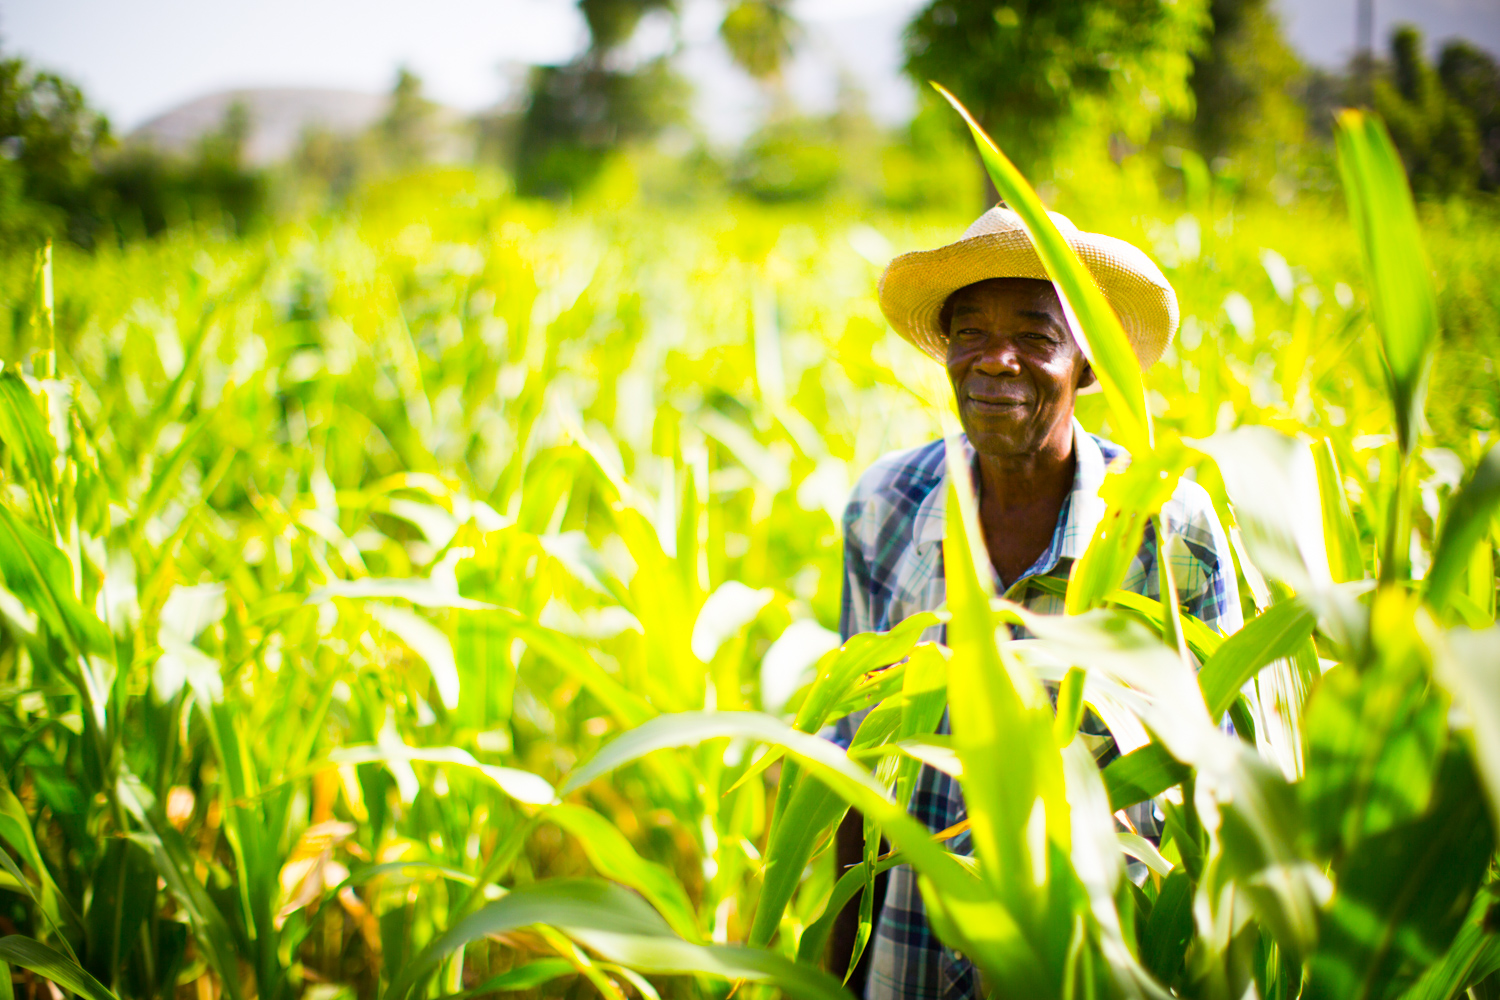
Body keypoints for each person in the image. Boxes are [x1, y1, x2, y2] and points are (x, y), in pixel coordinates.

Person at [827, 205, 1243, 1000]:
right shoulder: (884, 506)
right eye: (969, 332)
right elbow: (855, 761)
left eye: (1036, 335)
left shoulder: (1166, 527)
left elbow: (1218, 786)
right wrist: (838, 965)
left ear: (1086, 362)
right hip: (908, 962)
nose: (996, 361)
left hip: (1088, 963)